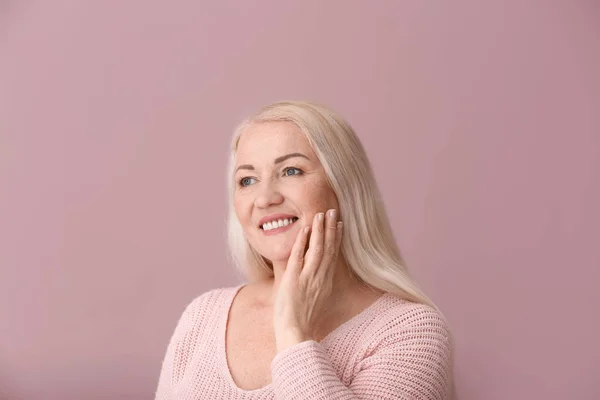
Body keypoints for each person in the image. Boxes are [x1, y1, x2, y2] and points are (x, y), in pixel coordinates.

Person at [154, 101, 455, 399]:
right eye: (247, 180)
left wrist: (292, 332)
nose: (264, 198)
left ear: (343, 186)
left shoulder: (410, 331)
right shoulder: (204, 315)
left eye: (291, 171)